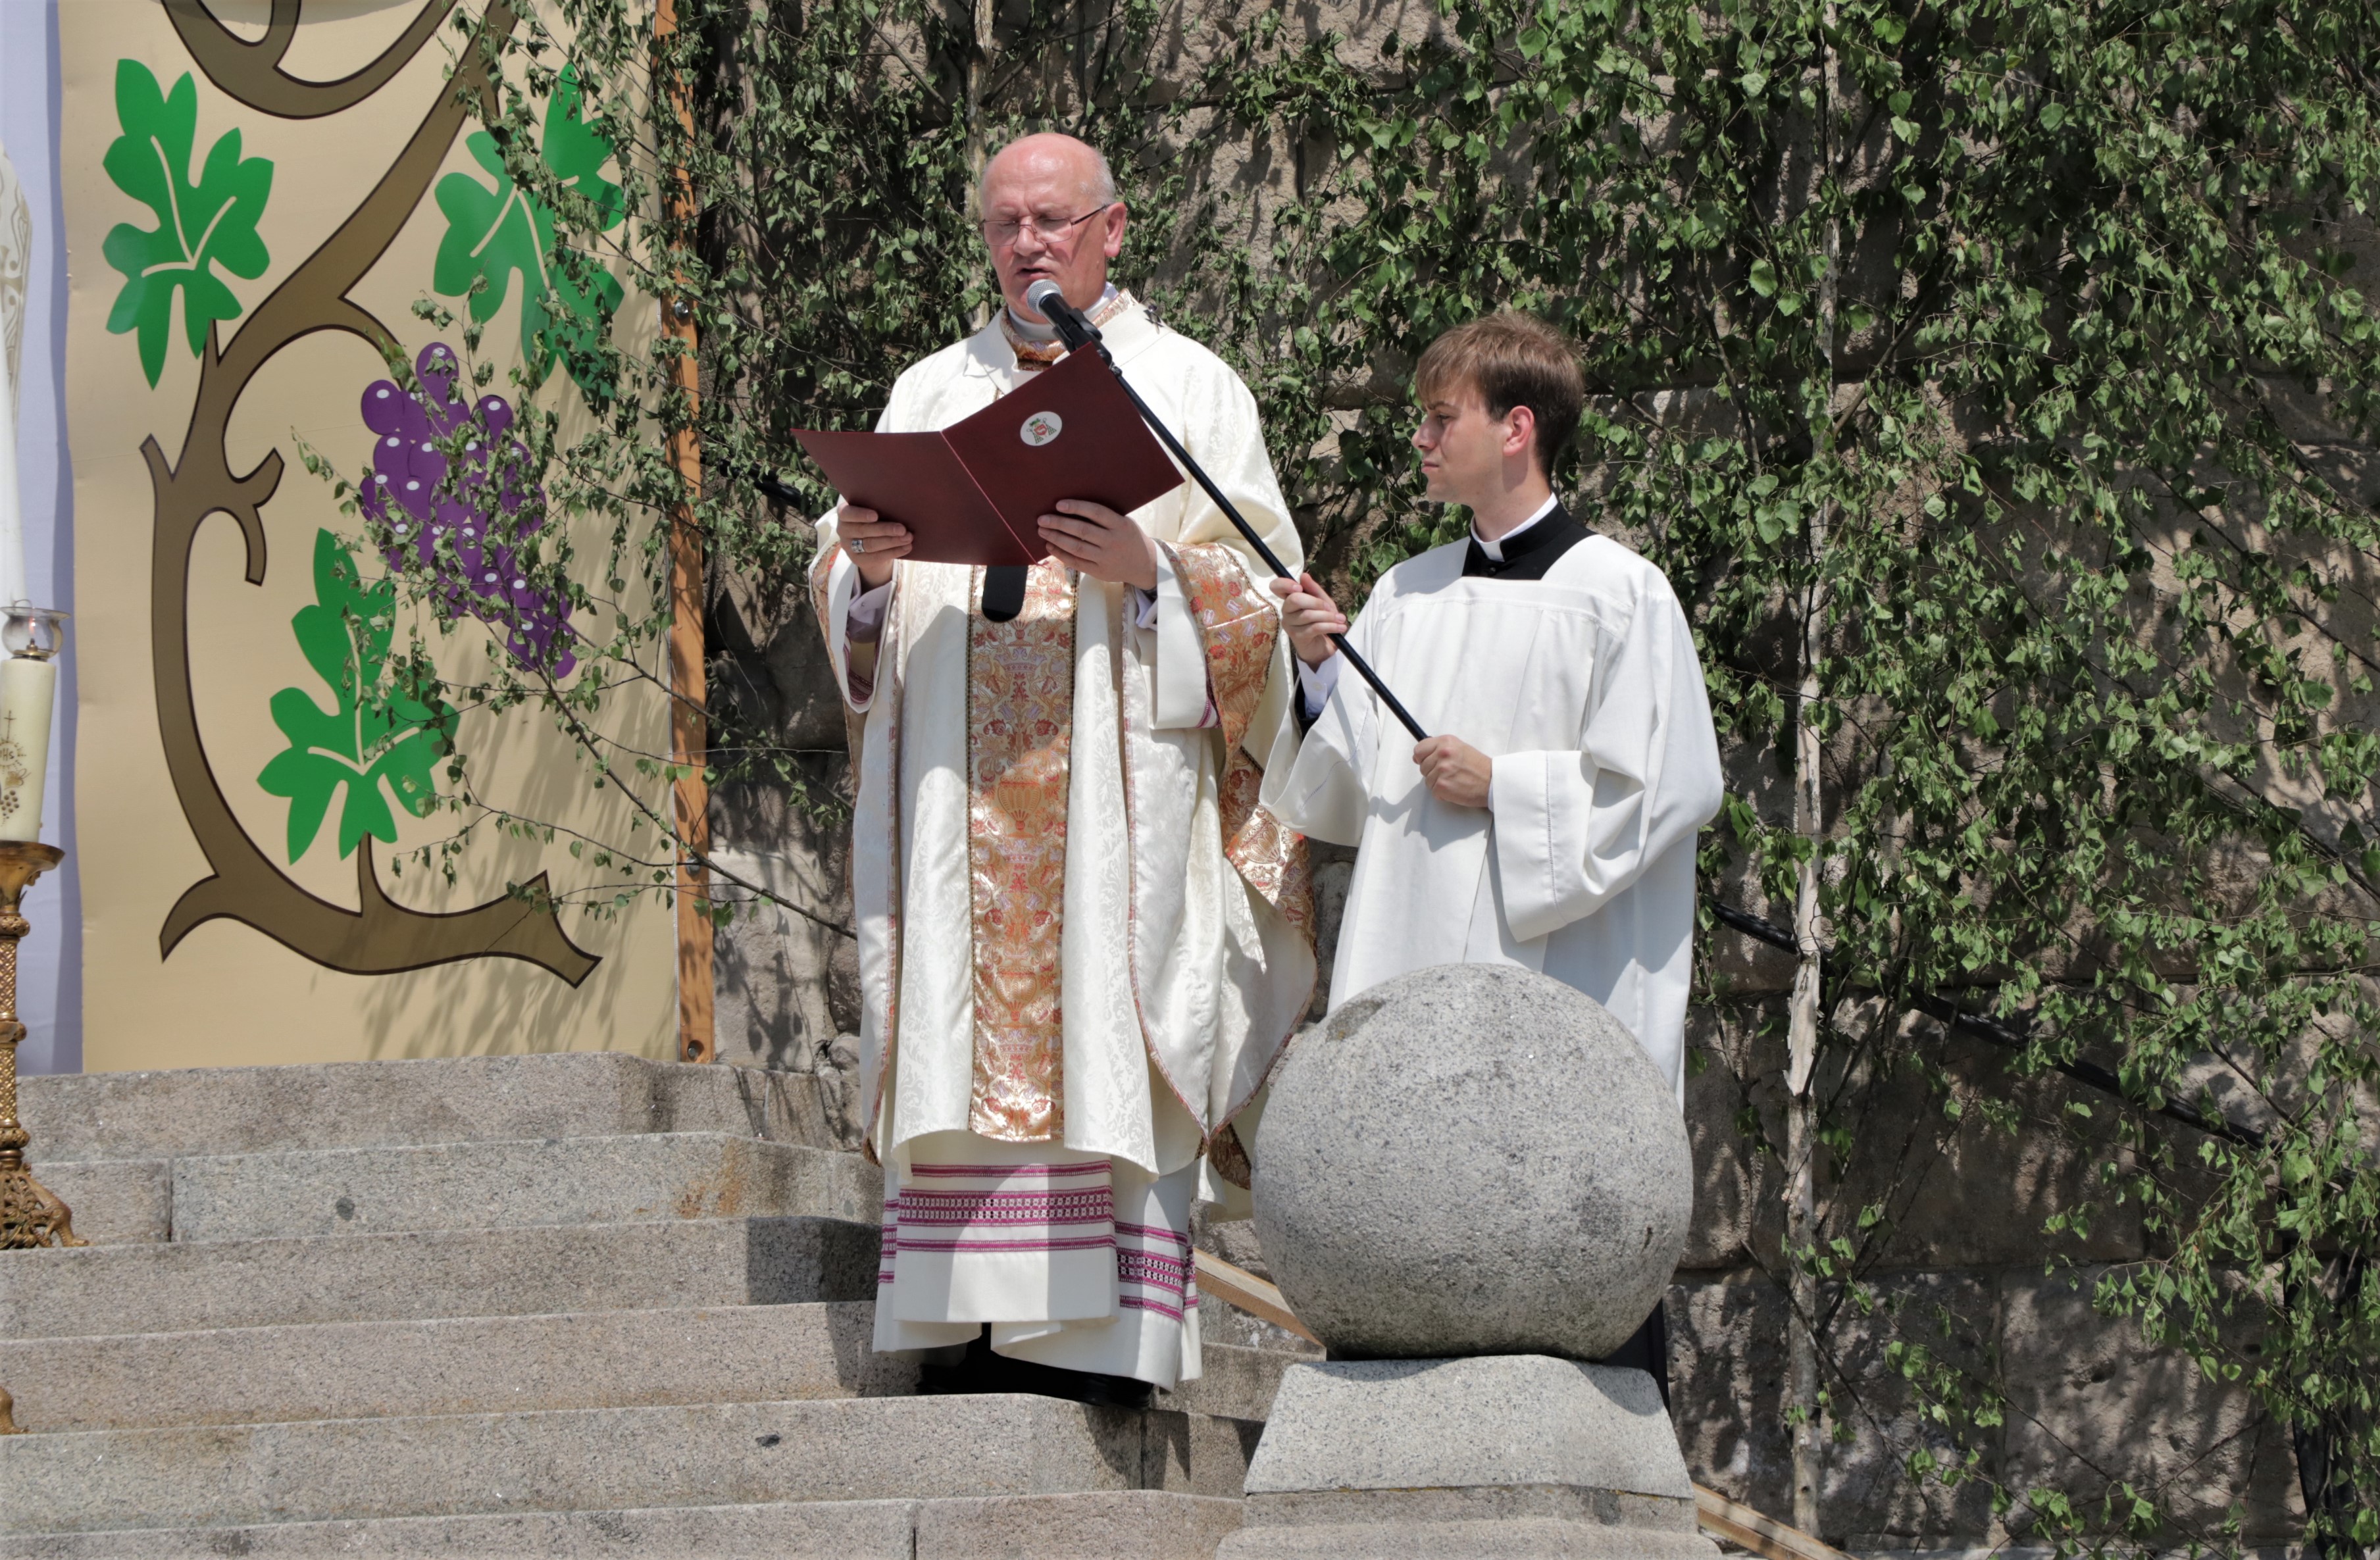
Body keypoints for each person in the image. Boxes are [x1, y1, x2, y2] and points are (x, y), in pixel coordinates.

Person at [808, 132, 1313, 1402]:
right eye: (1005, 224)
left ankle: (1097, 1349)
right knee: (951, 1031)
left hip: (1110, 804)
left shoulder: (1188, 389)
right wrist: (863, 570)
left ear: (1112, 228)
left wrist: (1152, 573)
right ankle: (961, 1328)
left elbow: (1269, 597)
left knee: (1104, 1025)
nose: (1027, 243)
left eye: (1052, 220)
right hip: (953, 802)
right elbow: (847, 597)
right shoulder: (930, 389)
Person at [1258, 311, 1723, 1392]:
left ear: (1516, 429)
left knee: (1554, 1213)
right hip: (1414, 950)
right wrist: (1321, 670)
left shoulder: (1621, 593)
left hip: (1565, 974)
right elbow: (1344, 783)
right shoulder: (1405, 593)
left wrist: (1505, 786)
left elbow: (1670, 790)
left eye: (1440, 418)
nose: (1419, 440)